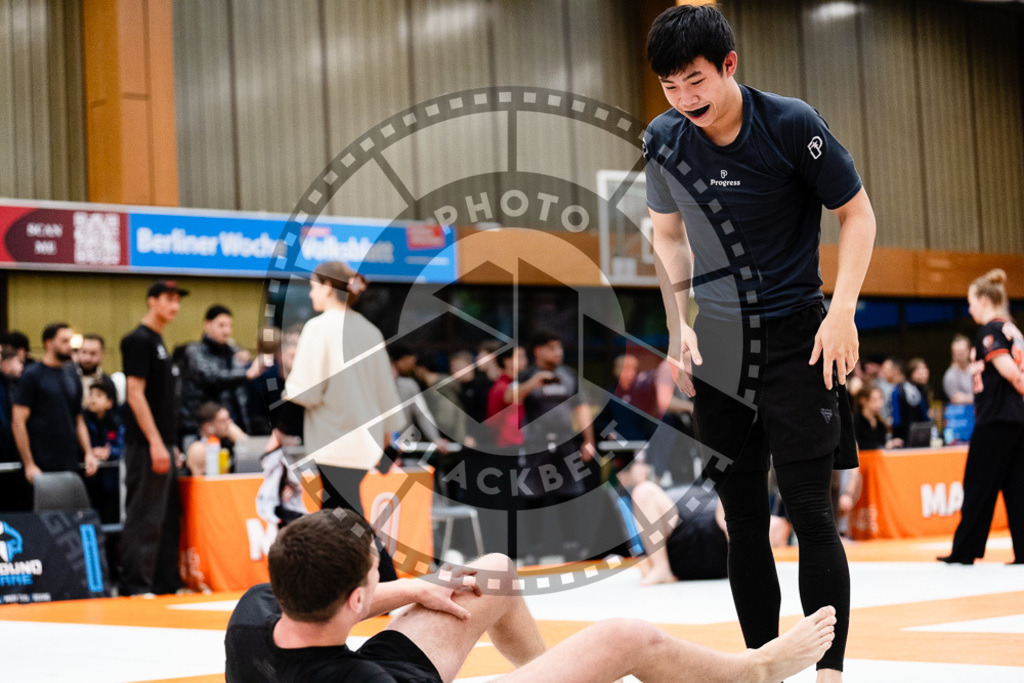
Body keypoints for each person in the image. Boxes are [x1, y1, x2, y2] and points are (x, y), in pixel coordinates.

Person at [643, 6, 875, 678]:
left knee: (809, 510)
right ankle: (759, 666)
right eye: (669, 88)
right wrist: (677, 319)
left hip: (801, 333)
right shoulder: (665, 141)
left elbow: (856, 215)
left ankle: (829, 670)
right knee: (740, 518)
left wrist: (844, 312)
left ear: (729, 66)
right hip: (717, 343)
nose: (685, 101)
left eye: (695, 82)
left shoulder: (790, 125)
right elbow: (663, 234)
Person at [225, 508, 838, 683]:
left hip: (358, 659)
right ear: (357, 601)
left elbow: (355, 601)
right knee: (627, 636)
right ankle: (755, 671)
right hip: (385, 677)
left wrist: (414, 585)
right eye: (372, 579)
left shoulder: (254, 613)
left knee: (492, 572)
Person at [284, 261, 405, 581]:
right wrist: (388, 440)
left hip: (333, 437)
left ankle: (387, 583)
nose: (310, 293)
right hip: (365, 442)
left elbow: (306, 392)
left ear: (327, 286)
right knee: (340, 513)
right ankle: (349, 583)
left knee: (344, 515)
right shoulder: (369, 329)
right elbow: (387, 392)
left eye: (313, 286)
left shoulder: (319, 327)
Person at [939, 269, 1024, 565]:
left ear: (985, 301)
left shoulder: (990, 331)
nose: (970, 308)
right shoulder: (1014, 329)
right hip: (1017, 419)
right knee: (1016, 485)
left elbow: (1012, 374)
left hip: (996, 418)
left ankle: (964, 551)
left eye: (972, 301)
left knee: (977, 483)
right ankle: (1023, 550)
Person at [120, 280, 188, 596]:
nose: (174, 306)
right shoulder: (138, 340)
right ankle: (135, 584)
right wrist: (156, 442)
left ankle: (165, 583)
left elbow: (164, 404)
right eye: (169, 299)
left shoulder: (159, 342)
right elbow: (135, 395)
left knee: (167, 517)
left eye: (177, 300)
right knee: (144, 515)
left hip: (164, 443)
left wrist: (171, 444)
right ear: (152, 301)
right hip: (145, 445)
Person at [514, 330, 598, 560]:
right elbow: (510, 398)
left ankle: (571, 546)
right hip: (535, 443)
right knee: (533, 495)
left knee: (568, 493)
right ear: (537, 351)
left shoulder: (569, 375)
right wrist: (533, 383)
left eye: (559, 347)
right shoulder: (526, 374)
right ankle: (533, 549)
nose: (557, 352)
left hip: (565, 441)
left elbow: (581, 409)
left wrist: (588, 441)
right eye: (551, 347)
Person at [12, 322, 98, 484]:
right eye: (64, 341)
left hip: (68, 460)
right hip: (41, 462)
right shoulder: (32, 375)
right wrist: (29, 464)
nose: (70, 346)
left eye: (70, 340)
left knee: (71, 508)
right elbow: (18, 421)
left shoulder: (72, 375)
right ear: (49, 344)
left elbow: (78, 419)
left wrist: (88, 453)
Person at [179, 304, 261, 446]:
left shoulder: (234, 352)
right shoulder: (194, 351)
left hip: (231, 422)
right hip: (201, 425)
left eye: (229, 326)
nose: (227, 331)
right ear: (207, 325)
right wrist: (245, 374)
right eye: (221, 325)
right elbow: (211, 377)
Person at [82, 376, 124, 524]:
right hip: (90, 482)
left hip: (111, 485)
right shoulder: (84, 422)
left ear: (109, 402)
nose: (93, 399)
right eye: (91, 395)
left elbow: (121, 448)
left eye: (99, 396)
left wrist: (110, 453)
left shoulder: (116, 423)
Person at [184, 401, 247, 476]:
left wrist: (239, 437)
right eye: (223, 421)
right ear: (208, 427)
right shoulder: (198, 448)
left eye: (229, 419)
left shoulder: (228, 442)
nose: (230, 424)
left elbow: (252, 458)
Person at [890, 358, 932, 444]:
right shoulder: (900, 390)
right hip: (903, 437)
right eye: (920, 370)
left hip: (922, 435)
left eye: (925, 369)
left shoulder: (924, 390)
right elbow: (896, 417)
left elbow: (925, 415)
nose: (924, 373)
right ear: (911, 373)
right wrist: (897, 436)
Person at [76, 333, 118, 409]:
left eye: (93, 353)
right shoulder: (68, 378)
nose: (87, 358)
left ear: (102, 354)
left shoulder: (107, 382)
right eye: (84, 352)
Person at [853, 385, 900, 450]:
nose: (879, 403)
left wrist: (890, 443)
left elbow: (881, 443)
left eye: (880, 399)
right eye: (874, 399)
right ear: (863, 400)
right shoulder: (855, 421)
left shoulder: (880, 423)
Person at [943, 335, 975, 405]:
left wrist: (966, 398)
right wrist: (978, 397)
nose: (961, 354)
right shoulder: (950, 375)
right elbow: (956, 400)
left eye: (963, 350)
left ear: (969, 350)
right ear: (953, 354)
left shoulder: (977, 369)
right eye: (957, 351)